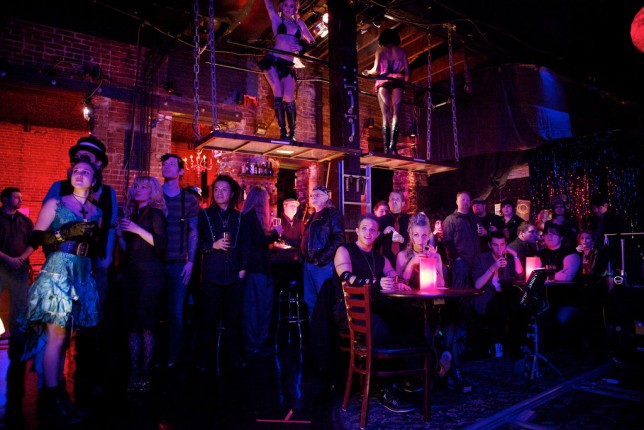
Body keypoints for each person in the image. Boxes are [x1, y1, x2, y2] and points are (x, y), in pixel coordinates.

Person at [23, 157, 102, 425]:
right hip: (58, 270)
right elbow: (35, 237)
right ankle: (50, 399)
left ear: (94, 180)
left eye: (86, 172)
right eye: (76, 171)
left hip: (82, 272)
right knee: (56, 339)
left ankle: (58, 396)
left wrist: (94, 239)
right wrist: (63, 234)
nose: (79, 174)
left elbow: (96, 247)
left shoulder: (96, 211)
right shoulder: (55, 203)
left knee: (66, 339)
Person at [42, 135, 117, 399]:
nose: (81, 160)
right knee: (58, 326)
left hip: (94, 266)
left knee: (90, 322)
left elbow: (111, 227)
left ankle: (84, 377)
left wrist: (106, 258)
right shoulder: (59, 187)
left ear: (99, 164)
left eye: (87, 156)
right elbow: (45, 228)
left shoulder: (107, 193)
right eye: (78, 156)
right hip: (63, 264)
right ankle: (52, 386)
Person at [334, 213, 416, 413]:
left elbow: (394, 275)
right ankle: (384, 388)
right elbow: (347, 277)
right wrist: (376, 283)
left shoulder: (379, 257)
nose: (368, 233)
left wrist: (399, 283)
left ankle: (408, 377)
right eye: (364, 228)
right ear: (357, 230)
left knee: (409, 318)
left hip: (375, 307)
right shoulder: (345, 250)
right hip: (350, 311)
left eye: (372, 229)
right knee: (380, 325)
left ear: (378, 233)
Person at [116, 176, 167, 392]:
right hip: (132, 274)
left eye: (144, 187)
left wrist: (136, 229)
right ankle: (134, 371)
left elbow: (161, 244)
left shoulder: (155, 213)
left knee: (147, 324)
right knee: (132, 324)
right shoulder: (133, 214)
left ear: (152, 191)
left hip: (150, 275)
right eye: (136, 186)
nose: (138, 189)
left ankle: (146, 373)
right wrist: (120, 235)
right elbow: (127, 250)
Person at [196, 175, 248, 371]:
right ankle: (204, 360)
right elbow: (196, 242)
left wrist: (243, 268)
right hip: (212, 273)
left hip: (234, 274)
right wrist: (212, 245)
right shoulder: (204, 215)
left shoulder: (240, 217)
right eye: (216, 189)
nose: (219, 193)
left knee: (233, 320)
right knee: (208, 319)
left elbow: (245, 245)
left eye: (224, 189)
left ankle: (233, 358)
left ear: (232, 193)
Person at [160, 153, 200, 371]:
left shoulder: (189, 200)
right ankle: (153, 354)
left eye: (171, 164)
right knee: (154, 310)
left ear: (181, 171)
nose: (166, 166)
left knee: (176, 312)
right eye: (164, 163)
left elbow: (193, 231)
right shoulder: (155, 195)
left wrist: (190, 261)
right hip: (154, 262)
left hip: (178, 263)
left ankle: (173, 356)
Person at [0, 187, 34, 424]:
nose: (19, 199)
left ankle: (18, 346)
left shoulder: (24, 220)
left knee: (20, 309)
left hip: (20, 270)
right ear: (4, 199)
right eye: (15, 196)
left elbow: (34, 242)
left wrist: (20, 259)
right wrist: (9, 259)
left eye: (21, 197)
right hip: (1, 268)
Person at [259, 0, 315, 141]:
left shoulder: (299, 24)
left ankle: (292, 133)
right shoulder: (277, 20)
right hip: (273, 61)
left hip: (288, 65)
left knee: (289, 97)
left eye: (292, 6)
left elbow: (312, 42)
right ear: (281, 6)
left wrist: (302, 48)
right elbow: (269, 5)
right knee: (278, 92)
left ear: (295, 8)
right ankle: (283, 131)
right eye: (286, 5)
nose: (288, 8)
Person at [241, 186, 283, 357]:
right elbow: (259, 241)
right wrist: (275, 233)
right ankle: (253, 345)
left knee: (262, 307)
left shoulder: (250, 217)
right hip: (256, 269)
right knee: (256, 309)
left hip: (260, 269)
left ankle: (258, 343)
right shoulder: (250, 218)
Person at [471, 231, 523, 357]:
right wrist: (493, 267)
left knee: (521, 307)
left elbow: (520, 275)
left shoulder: (507, 259)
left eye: (502, 244)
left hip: (505, 298)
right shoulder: (481, 259)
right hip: (487, 297)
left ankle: (516, 346)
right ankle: (497, 344)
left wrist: (515, 255)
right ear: (490, 245)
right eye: (495, 245)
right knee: (498, 307)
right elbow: (477, 285)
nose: (499, 248)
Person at [362, 28, 410, 155]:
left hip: (383, 82)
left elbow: (375, 70)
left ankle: (386, 148)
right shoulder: (401, 52)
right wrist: (403, 83)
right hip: (397, 82)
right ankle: (392, 146)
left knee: (386, 116)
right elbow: (407, 73)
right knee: (396, 115)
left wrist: (366, 72)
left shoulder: (380, 51)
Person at [300, 185, 344, 319]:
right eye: (312, 195)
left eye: (318, 195)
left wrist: (321, 259)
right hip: (309, 264)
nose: (314, 197)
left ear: (327, 197)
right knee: (310, 301)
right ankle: (316, 330)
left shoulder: (333, 213)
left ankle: (326, 330)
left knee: (324, 301)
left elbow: (339, 238)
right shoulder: (313, 215)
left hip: (323, 265)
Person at [395, 212, 445, 289]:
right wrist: (411, 264)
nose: (420, 240)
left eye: (424, 235)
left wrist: (431, 263)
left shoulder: (436, 256)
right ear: (411, 236)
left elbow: (441, 284)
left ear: (429, 236)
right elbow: (399, 285)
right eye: (416, 235)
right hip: (409, 295)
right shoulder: (402, 256)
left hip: (428, 295)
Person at [442, 191, 480, 289]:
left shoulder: (474, 218)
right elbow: (447, 241)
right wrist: (456, 258)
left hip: (475, 261)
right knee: (460, 290)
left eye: (468, 200)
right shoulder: (451, 220)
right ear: (457, 201)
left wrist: (485, 233)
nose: (466, 202)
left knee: (474, 289)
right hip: (460, 262)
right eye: (463, 200)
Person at [375, 191, 409, 267]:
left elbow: (415, 241)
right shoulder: (381, 220)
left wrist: (403, 240)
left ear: (403, 203)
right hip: (385, 261)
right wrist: (383, 233)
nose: (394, 201)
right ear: (389, 203)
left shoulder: (410, 220)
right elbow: (374, 242)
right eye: (392, 199)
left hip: (405, 260)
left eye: (397, 199)